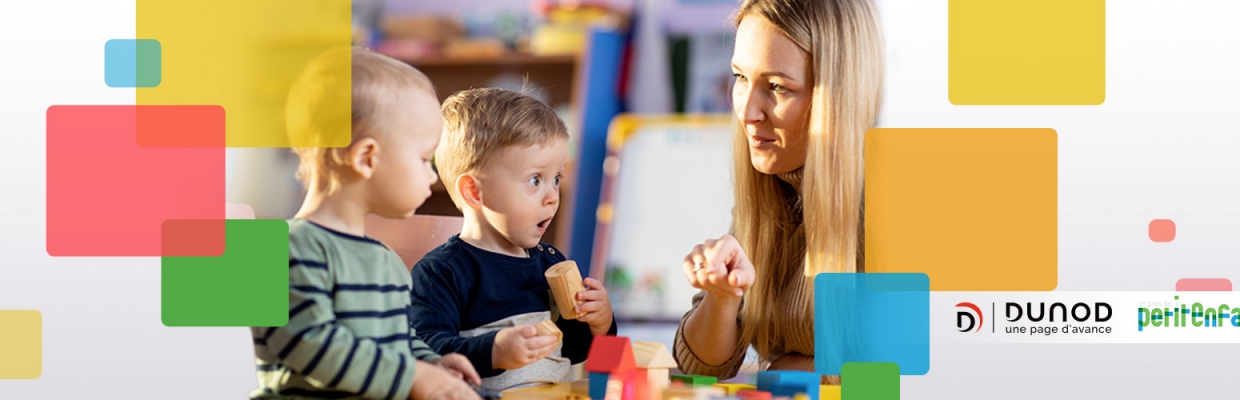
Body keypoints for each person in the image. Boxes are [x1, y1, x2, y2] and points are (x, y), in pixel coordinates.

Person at [249, 46, 482, 400]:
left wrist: (432, 365)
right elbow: (310, 344)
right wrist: (413, 377)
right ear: (366, 158)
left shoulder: (386, 260)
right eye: (423, 159)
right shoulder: (285, 249)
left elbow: (398, 343)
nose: (432, 177)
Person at [674, 0, 884, 384]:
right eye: (740, 78)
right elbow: (702, 369)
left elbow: (906, 378)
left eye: (776, 87)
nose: (747, 111)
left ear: (837, 97)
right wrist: (721, 299)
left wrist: (792, 369)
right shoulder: (773, 188)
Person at [409, 88, 617, 391]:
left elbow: (572, 352)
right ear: (474, 192)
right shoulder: (442, 272)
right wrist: (493, 351)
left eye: (556, 178)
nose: (552, 197)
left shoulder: (550, 261)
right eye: (535, 180)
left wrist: (600, 323)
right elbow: (427, 352)